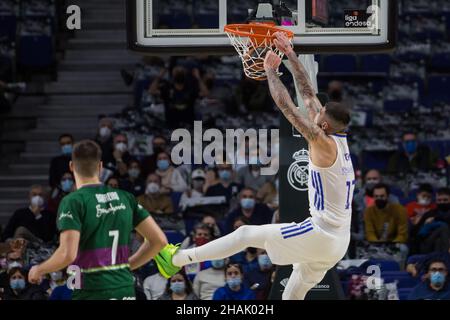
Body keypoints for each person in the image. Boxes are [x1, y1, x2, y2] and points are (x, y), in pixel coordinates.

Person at [154, 33, 355, 300]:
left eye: (319, 114)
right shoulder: (337, 138)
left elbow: (288, 107)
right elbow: (307, 96)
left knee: (246, 233)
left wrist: (271, 71)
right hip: (339, 241)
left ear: (324, 125)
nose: (315, 110)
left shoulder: (322, 142)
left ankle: (177, 259)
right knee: (291, 297)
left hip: (321, 233)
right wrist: (290, 54)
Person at [27, 140, 168, 300]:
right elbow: (159, 241)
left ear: (72, 166)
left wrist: (39, 269)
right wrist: (127, 265)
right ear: (100, 167)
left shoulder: (73, 201)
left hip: (92, 291)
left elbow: (67, 254)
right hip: (124, 291)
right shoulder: (125, 197)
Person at [409, 188, 450, 254]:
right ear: (436, 200)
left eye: (445, 200)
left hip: (443, 244)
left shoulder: (435, 217)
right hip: (427, 246)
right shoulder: (430, 213)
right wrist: (416, 225)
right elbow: (415, 234)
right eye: (439, 200)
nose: (442, 202)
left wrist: (435, 219)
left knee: (439, 241)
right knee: (443, 227)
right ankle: (445, 256)